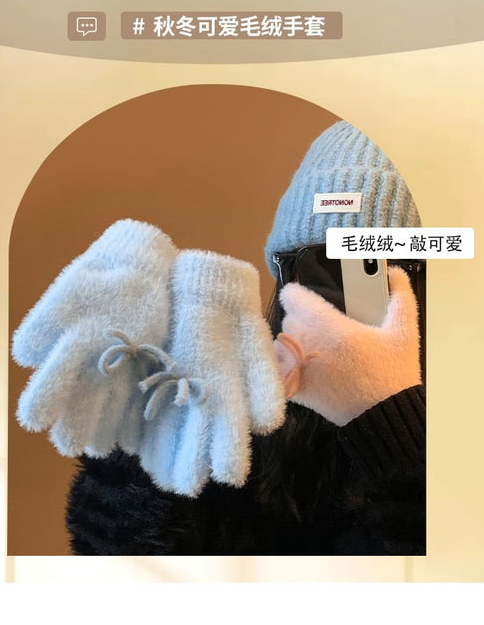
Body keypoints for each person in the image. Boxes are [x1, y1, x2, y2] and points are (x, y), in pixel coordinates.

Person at [65, 121, 426, 555]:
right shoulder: (256, 408)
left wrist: (393, 423)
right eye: (317, 268)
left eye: (375, 267)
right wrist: (142, 442)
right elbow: (115, 563)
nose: (340, 298)